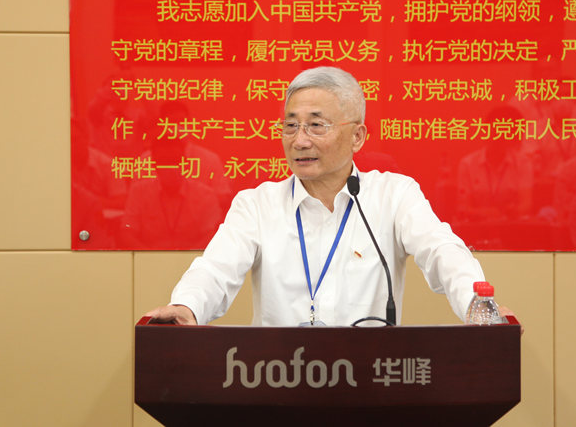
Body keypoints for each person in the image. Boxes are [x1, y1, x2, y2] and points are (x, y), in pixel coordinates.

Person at [146, 66, 510, 326]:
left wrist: (477, 305)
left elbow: (442, 250)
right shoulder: (256, 205)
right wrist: (187, 306)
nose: (300, 140)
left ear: (357, 137)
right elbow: (215, 270)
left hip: (371, 384)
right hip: (276, 380)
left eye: (316, 125)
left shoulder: (394, 195)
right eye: (291, 125)